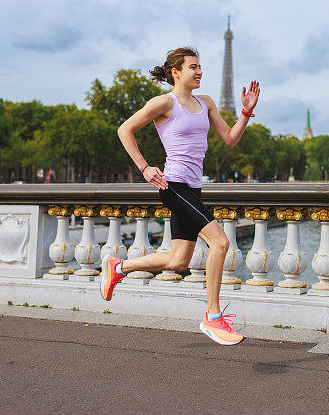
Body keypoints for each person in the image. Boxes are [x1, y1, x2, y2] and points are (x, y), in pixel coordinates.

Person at [101, 46, 260, 346]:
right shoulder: (164, 103)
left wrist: (246, 112)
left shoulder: (207, 102)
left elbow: (230, 139)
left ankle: (118, 267)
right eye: (193, 67)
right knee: (221, 242)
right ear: (176, 72)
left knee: (178, 261)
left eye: (200, 67)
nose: (199, 71)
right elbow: (125, 130)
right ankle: (213, 317)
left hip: (193, 188)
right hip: (173, 186)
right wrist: (145, 167)